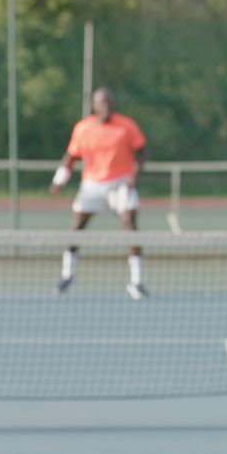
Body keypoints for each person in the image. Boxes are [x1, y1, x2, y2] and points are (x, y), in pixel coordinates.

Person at [49, 87, 149, 300]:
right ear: (94, 105)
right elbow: (71, 157)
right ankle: (67, 276)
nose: (106, 106)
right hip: (92, 185)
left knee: (131, 227)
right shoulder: (83, 129)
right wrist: (59, 181)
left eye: (110, 102)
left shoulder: (127, 127)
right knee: (76, 229)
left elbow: (141, 152)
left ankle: (137, 282)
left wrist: (135, 174)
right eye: (102, 102)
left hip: (121, 184)